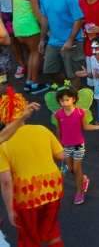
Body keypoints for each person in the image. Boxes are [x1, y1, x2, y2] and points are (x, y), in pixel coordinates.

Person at [0, 94, 64, 247]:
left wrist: (10, 209)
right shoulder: (41, 129)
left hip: (27, 197)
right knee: (52, 234)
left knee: (29, 239)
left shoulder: (3, 144)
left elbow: (6, 181)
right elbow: (63, 155)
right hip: (53, 189)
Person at [53, 84, 99, 205]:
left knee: (77, 168)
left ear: (73, 99)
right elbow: (59, 130)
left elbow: (85, 127)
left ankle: (79, 192)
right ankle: (83, 179)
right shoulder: (58, 114)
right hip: (66, 146)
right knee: (71, 169)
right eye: (61, 100)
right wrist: (59, 145)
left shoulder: (80, 113)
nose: (64, 103)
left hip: (79, 145)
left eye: (66, 100)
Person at [39, 0, 85, 89]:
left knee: (73, 74)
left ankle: (75, 103)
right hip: (54, 40)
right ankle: (67, 90)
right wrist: (42, 40)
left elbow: (79, 19)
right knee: (49, 70)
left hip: (72, 41)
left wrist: (70, 40)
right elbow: (44, 17)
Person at [11, 0, 48, 93]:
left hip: (18, 28)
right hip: (30, 27)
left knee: (31, 54)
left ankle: (28, 82)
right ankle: (34, 84)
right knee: (35, 53)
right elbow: (36, 12)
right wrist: (45, 26)